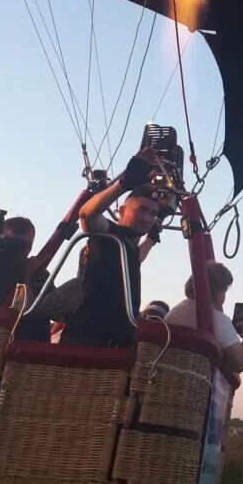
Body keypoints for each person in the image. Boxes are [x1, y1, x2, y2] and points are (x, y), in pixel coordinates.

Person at [61, 148, 162, 347]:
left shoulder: (128, 249)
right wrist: (124, 183)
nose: (147, 218)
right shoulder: (108, 234)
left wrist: (151, 238)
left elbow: (136, 258)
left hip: (116, 343)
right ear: (122, 210)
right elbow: (86, 215)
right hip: (88, 341)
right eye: (142, 210)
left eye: (153, 214)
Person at [165, 260, 243, 376]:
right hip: (196, 385)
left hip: (165, 377)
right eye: (225, 290)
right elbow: (240, 364)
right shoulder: (220, 321)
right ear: (217, 291)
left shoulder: (175, 311)